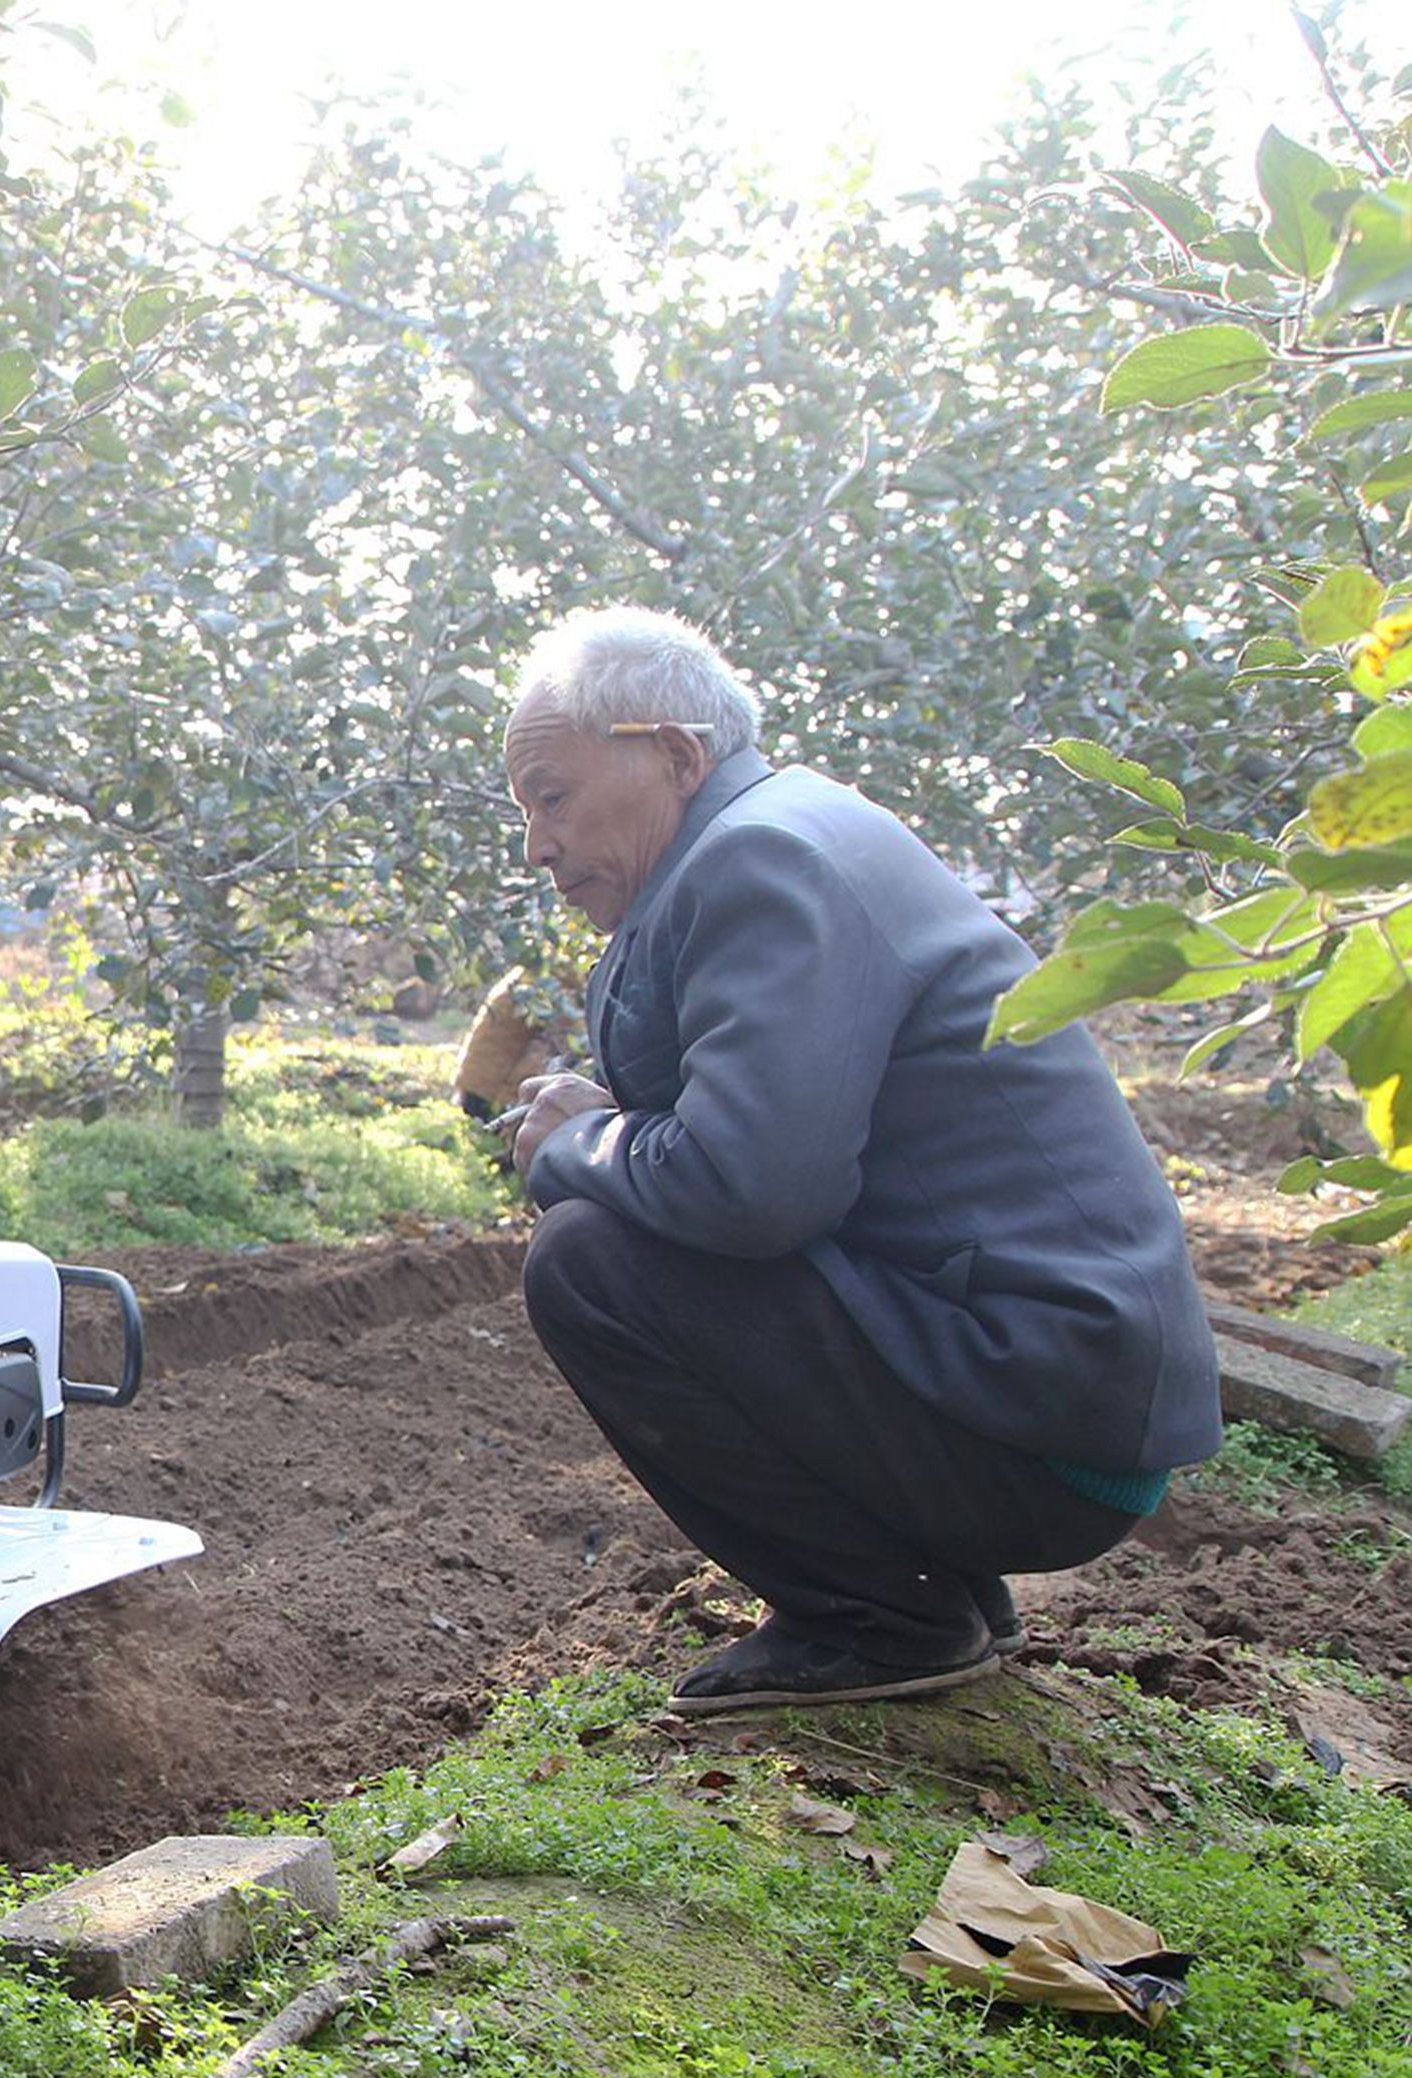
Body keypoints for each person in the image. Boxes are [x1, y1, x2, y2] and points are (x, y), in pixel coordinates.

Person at [495, 607, 1218, 1719]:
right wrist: (610, 1119)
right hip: (1047, 1392)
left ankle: (881, 1617)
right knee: (617, 1228)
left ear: (675, 755)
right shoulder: (774, 836)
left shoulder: (761, 858)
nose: (536, 845)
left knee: (588, 1257)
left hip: (1043, 1432)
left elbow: (751, 1188)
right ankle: (939, 1593)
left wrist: (576, 1141)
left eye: (551, 795)